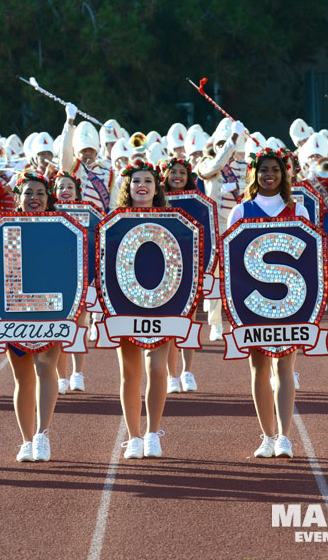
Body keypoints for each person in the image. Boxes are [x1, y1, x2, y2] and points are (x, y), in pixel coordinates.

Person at [226, 148, 309, 458]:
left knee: (285, 366)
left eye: (275, 169)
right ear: (254, 174)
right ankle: (267, 435)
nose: (269, 174)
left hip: (291, 302)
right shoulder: (240, 212)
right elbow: (232, 260)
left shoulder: (298, 211)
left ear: (283, 174)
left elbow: (308, 261)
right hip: (252, 301)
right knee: (259, 368)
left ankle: (285, 436)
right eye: (263, 170)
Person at [113, 161, 173, 459]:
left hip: (162, 302)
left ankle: (153, 433)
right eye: (136, 180)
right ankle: (134, 436)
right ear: (128, 186)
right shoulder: (115, 220)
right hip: (125, 303)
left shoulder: (172, 220)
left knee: (157, 368)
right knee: (130, 373)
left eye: (148, 181)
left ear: (156, 187)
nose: (142, 185)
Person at [9, 171, 63, 462]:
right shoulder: (4, 227)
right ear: (18, 198)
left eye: (40, 193)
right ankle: (25, 439)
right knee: (22, 378)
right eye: (28, 193)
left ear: (48, 198)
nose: (34, 198)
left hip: (51, 307)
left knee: (45, 370)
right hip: (14, 310)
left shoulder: (61, 227)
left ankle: (42, 434)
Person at [196, 119, 246, 341]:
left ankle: (241, 319)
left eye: (231, 142)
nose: (226, 146)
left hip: (238, 226)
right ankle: (216, 324)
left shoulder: (244, 166)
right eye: (223, 143)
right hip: (215, 227)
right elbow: (214, 167)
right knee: (215, 277)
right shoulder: (205, 162)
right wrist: (233, 140)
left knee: (241, 275)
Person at [160, 157, 200, 393]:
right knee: (169, 324)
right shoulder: (158, 201)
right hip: (164, 270)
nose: (177, 176)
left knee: (189, 321)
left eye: (182, 173)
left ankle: (187, 371)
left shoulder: (196, 203)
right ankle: (171, 375)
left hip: (188, 268)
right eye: (173, 172)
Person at [51, 172, 89, 394]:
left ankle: (78, 373)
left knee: (79, 327)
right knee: (58, 328)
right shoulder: (48, 214)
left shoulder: (87, 214)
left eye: (69, 187)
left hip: (79, 278)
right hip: (54, 279)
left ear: (77, 192)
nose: (65, 191)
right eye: (60, 187)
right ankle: (61, 377)